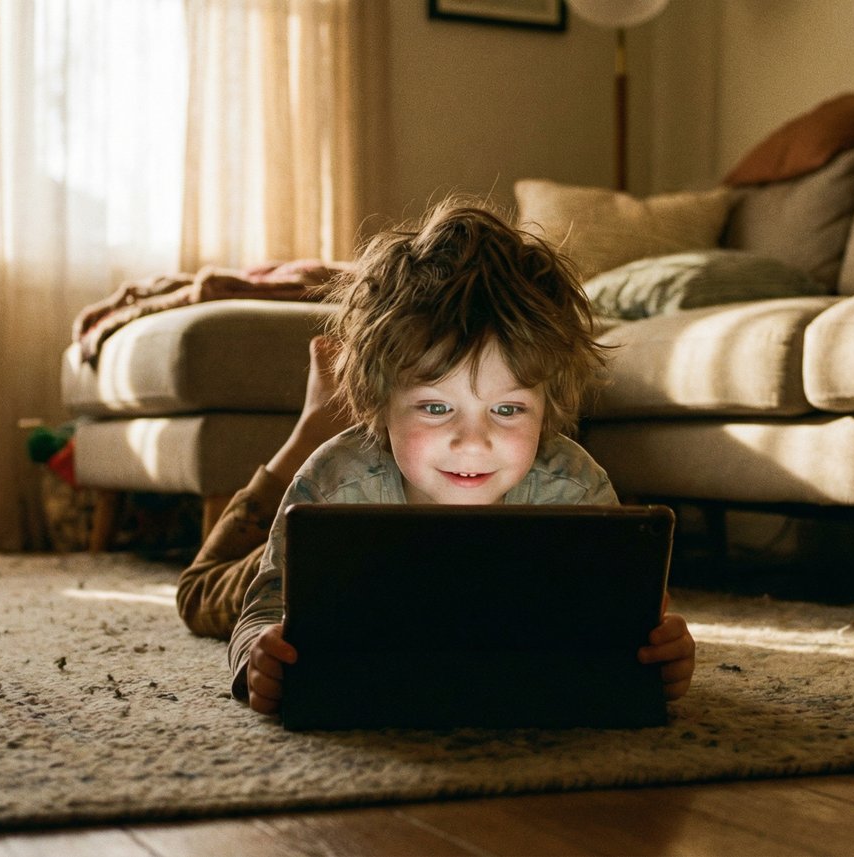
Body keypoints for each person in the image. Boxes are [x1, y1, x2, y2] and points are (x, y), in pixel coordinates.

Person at [175, 201, 696, 716]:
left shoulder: (575, 489)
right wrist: (260, 653)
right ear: (381, 402)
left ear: (547, 409)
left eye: (508, 409)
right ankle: (318, 422)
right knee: (203, 594)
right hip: (338, 515)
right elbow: (264, 608)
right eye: (437, 407)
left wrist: (659, 653)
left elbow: (624, 623)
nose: (473, 442)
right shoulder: (335, 486)